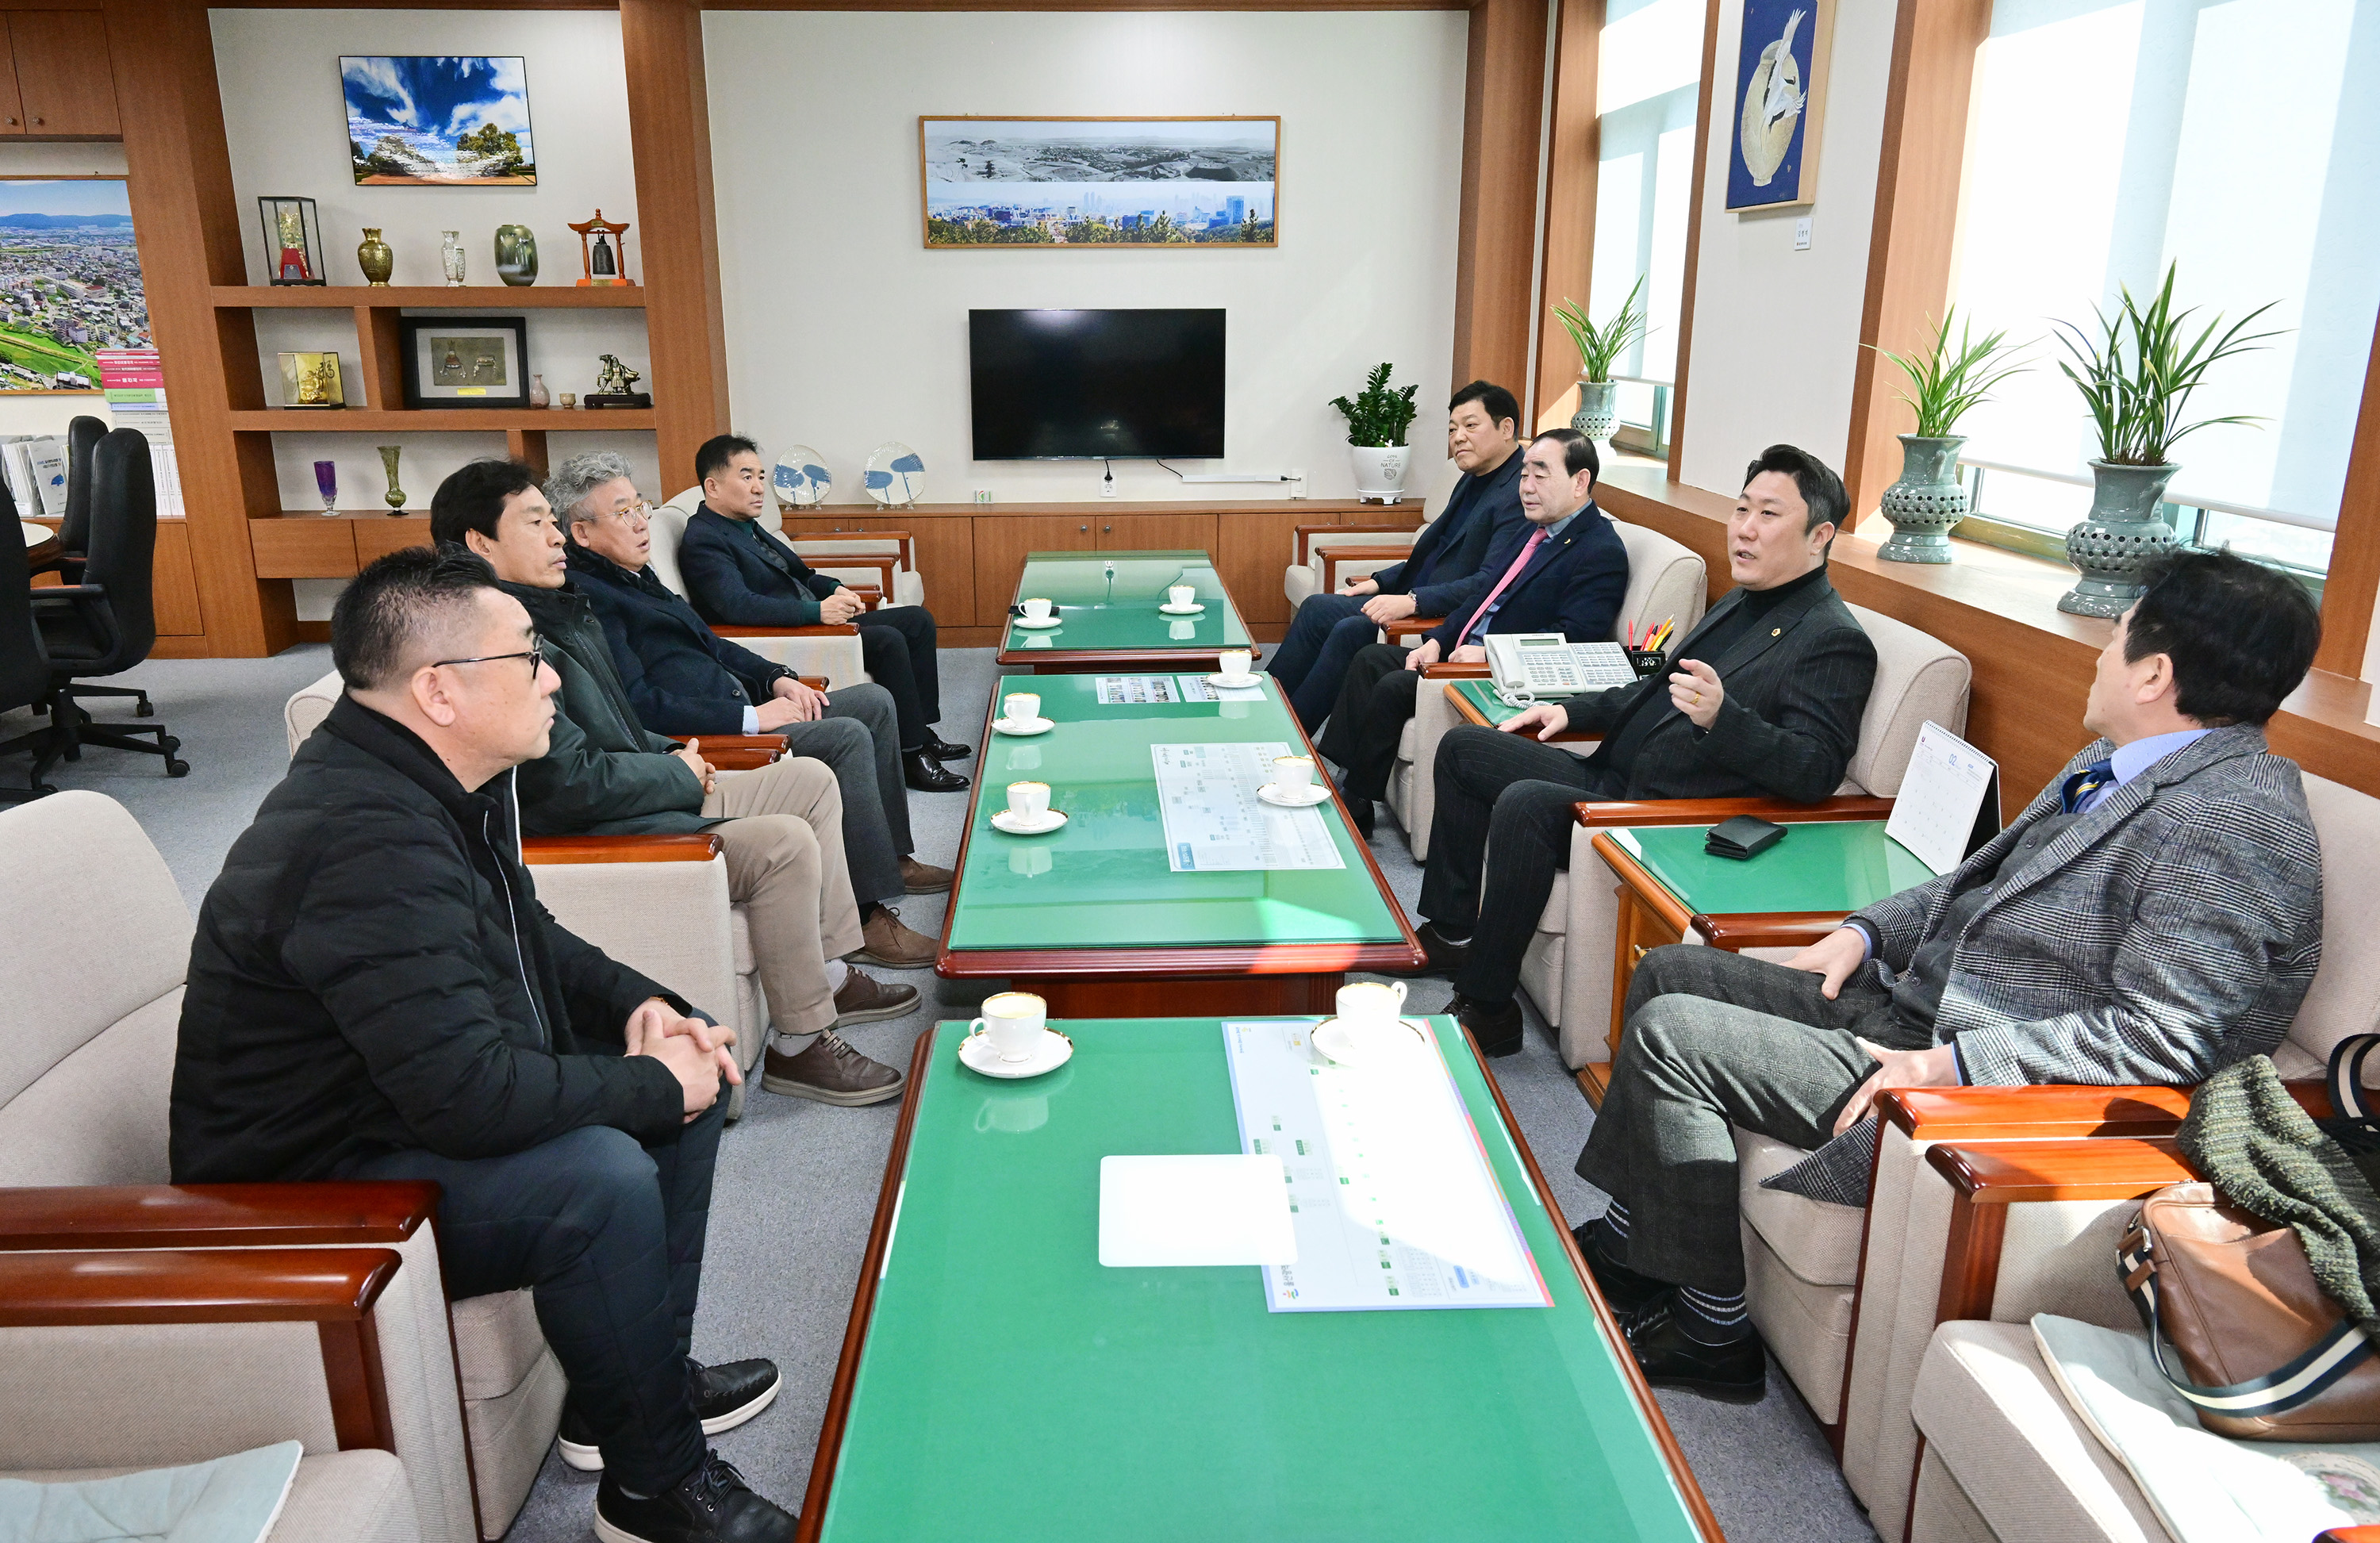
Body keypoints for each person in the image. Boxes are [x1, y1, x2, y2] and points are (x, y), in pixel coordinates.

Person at [1574, 548, 2324, 1396]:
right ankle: (1641, 1246)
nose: (2095, 653)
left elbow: (2165, 1036)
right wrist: (1860, 934)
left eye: (2112, 639)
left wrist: (1949, 1066)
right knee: (1675, 972)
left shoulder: (2233, 822)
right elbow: (1972, 881)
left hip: (1969, 1069)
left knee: (1679, 1037)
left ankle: (1712, 1334)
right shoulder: (2111, 763)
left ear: (2154, 673)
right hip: (1914, 1004)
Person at [170, 547, 800, 1543]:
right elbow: (468, 1098)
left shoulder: (431, 778)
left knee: (686, 1056)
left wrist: (646, 1001)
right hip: (304, 1190)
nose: (553, 676)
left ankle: (627, 1395)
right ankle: (655, 1485)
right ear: (439, 689)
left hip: (387, 1105)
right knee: (601, 1172)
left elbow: (526, 929)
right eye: (529, 656)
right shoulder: (359, 834)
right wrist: (641, 1082)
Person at [430, 458, 927, 1107]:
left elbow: (622, 719)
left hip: (649, 773)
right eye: (537, 523)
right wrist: (675, 768)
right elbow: (566, 784)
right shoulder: (502, 642)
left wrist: (676, 752)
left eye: (553, 522)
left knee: (808, 779)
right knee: (784, 839)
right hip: (615, 818)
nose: (554, 537)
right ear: (479, 543)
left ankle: (830, 971)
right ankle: (801, 1045)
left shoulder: (559, 608)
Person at [1413, 444, 1879, 1053]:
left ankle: (1488, 1007)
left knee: (1526, 803)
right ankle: (1451, 930)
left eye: (1768, 515)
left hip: (1660, 814)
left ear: (1819, 536)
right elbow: (1653, 687)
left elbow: (1815, 770)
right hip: (1612, 775)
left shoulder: (1833, 639)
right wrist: (1570, 709)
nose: (1743, 529)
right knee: (1466, 748)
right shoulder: (1744, 598)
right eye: (1741, 510)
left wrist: (1723, 719)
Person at [554, 453, 940, 973]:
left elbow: (713, 643)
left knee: (872, 701)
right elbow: (640, 705)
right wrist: (755, 721)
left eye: (640, 506)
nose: (642, 522)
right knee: (846, 734)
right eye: (623, 513)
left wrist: (778, 675)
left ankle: (889, 856)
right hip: (720, 735)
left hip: (745, 702)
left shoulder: (635, 576)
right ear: (580, 531)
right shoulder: (592, 599)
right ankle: (868, 918)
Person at [1315, 428, 1629, 839]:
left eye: (1540, 474)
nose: (1527, 487)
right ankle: (1342, 775)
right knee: (1370, 658)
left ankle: (1355, 802)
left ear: (1580, 481)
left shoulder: (1599, 550)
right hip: (1463, 652)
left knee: (1394, 685)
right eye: (1523, 475)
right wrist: (1437, 641)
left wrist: (1490, 655)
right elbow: (1481, 598)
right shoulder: (1531, 530)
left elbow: (1573, 639)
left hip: (1501, 674)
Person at [678, 434, 969, 792]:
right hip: (790, 632)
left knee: (916, 620)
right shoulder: (703, 539)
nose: (759, 488)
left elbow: (803, 575)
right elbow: (738, 605)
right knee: (888, 640)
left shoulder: (748, 528)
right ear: (713, 486)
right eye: (746, 476)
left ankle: (920, 732)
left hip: (813, 619)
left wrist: (835, 590)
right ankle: (910, 756)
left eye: (761, 476)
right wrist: (816, 613)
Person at [1267, 380, 1527, 730]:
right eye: (1452, 429)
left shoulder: (1520, 492)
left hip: (1437, 613)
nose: (1458, 437)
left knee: (1350, 629)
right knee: (1318, 606)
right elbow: (1433, 552)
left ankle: (1289, 732)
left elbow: (1490, 583)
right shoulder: (1472, 475)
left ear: (1506, 428)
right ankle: (1265, 706)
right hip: (1412, 596)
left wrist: (1413, 602)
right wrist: (1378, 582)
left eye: (1470, 425)